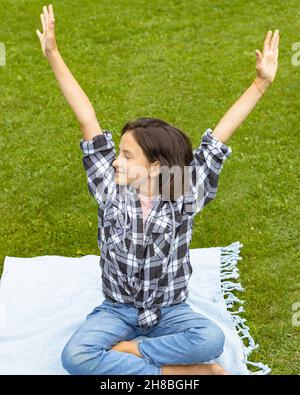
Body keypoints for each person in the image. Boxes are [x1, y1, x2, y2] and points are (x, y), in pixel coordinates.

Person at [36, 4, 279, 375]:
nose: (116, 160)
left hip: (170, 310)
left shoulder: (183, 193)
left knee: (211, 340)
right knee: (75, 357)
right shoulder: (109, 186)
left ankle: (130, 351)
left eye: (127, 155)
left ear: (155, 167)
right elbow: (86, 116)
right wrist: (53, 54)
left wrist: (260, 85)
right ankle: (178, 373)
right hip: (117, 309)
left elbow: (217, 140)